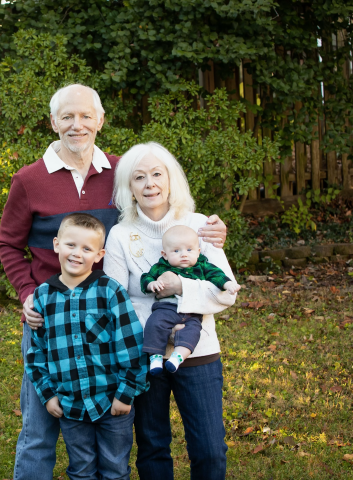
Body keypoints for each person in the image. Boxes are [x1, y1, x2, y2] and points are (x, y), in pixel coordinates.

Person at [0, 83, 228, 480]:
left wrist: (209, 232)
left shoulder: (123, 172)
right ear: (53, 122)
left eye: (86, 115)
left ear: (100, 120)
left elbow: (163, 215)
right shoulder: (29, 180)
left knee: (113, 421)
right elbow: (8, 243)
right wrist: (28, 293)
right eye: (67, 116)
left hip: (112, 322)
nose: (77, 125)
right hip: (51, 319)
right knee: (41, 426)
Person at [103, 142, 238, 480]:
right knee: (152, 446)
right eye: (139, 177)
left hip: (199, 350)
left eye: (157, 174)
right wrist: (156, 328)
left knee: (210, 449)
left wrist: (182, 289)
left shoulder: (200, 224)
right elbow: (115, 302)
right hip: (145, 356)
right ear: (129, 189)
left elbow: (226, 293)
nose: (150, 183)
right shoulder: (120, 235)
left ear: (171, 180)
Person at [25, 213, 148, 480]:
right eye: (71, 245)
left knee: (115, 470)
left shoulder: (110, 291)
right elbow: (36, 354)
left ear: (99, 254)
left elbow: (132, 346)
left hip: (112, 403)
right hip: (71, 406)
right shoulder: (43, 297)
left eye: (87, 248)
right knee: (81, 470)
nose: (77, 254)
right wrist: (48, 395)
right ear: (56, 244)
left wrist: (125, 394)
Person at [140, 225, 240, 375]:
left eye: (189, 250)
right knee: (154, 324)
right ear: (165, 254)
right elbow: (145, 278)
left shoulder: (202, 265)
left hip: (193, 312)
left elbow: (216, 275)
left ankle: (178, 357)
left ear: (198, 252)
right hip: (166, 308)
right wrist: (151, 284)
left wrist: (228, 284)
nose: (184, 255)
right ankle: (155, 356)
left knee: (193, 332)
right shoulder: (161, 267)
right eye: (176, 251)